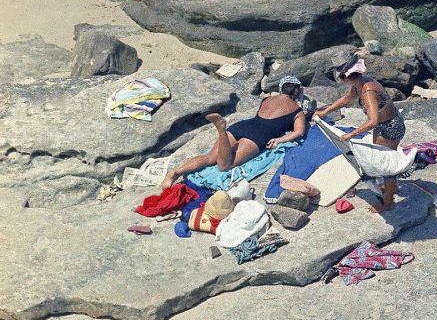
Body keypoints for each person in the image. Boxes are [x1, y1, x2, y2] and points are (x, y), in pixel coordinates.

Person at [160, 76, 307, 189]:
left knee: (210, 158)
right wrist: (279, 140)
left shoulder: (268, 99)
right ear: (298, 91)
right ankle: (221, 131)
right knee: (225, 165)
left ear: (281, 88)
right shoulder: (296, 110)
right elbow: (299, 133)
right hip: (258, 135)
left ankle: (176, 172)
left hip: (243, 125)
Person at [313, 57, 406, 213]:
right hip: (386, 124)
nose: (341, 80)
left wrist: (352, 135)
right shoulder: (360, 83)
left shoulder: (368, 91)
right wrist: (326, 111)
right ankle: (392, 187)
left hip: (390, 127)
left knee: (385, 166)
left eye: (342, 77)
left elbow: (373, 121)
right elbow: (347, 99)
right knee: (382, 160)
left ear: (349, 77)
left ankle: (388, 201)